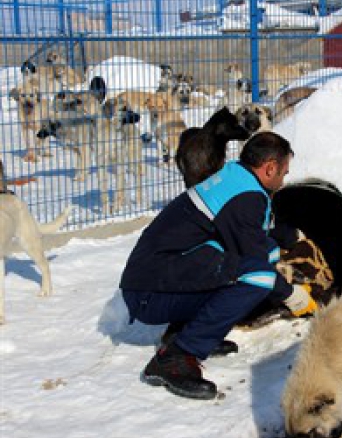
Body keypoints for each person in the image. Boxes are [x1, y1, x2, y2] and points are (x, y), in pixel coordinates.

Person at [119, 131, 316, 400]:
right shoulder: (246, 198)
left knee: (254, 258)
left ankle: (188, 331)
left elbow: (254, 233)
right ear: (269, 168)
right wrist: (292, 295)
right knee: (258, 278)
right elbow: (255, 258)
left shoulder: (237, 178)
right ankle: (177, 356)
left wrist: (286, 235)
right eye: (283, 173)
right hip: (150, 295)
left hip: (155, 280)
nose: (283, 181)